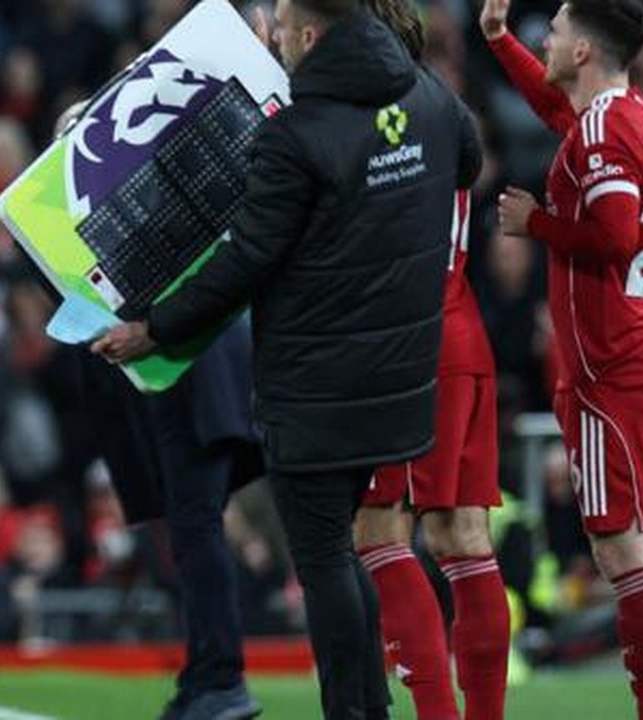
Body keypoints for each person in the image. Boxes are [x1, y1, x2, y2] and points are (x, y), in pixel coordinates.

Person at [91, 0, 482, 716]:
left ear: (307, 33)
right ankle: (371, 709)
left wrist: (156, 328)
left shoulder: (297, 135)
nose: (268, 33)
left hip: (316, 386)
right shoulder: (430, 95)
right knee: (351, 548)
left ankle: (354, 711)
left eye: (275, 22)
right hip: (400, 377)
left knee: (326, 557)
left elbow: (246, 259)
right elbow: (469, 160)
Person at [51, 101, 263, 720]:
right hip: (189, 376)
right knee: (193, 527)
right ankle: (205, 675)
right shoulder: (152, 199)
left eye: (71, 144)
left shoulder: (140, 207)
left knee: (197, 527)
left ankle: (221, 678)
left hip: (194, 376)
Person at [350, 2, 510, 718]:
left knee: (379, 531)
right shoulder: (446, 107)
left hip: (409, 341)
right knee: (462, 536)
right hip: (462, 330)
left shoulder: (376, 113)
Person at [485, 0, 643, 713]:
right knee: (620, 546)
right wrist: (495, 40)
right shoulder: (612, 118)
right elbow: (556, 111)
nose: (544, 37)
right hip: (618, 361)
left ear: (584, 51)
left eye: (557, 29)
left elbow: (614, 237)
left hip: (608, 369)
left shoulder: (606, 128)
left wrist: (536, 223)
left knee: (618, 547)